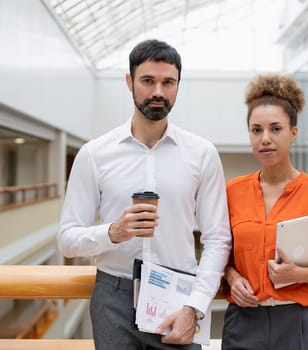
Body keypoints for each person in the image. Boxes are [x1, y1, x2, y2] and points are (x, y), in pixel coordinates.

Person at [58, 39, 231, 350]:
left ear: (178, 85)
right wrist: (114, 232)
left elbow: (218, 238)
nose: (158, 92)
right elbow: (67, 240)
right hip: (113, 298)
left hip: (180, 297)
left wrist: (195, 306)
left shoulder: (202, 154)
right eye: (148, 81)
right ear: (129, 82)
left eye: (168, 82)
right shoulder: (94, 154)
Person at [222, 74, 308, 350]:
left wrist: (300, 274)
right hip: (244, 321)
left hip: (303, 322)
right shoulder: (232, 192)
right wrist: (232, 278)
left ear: (293, 132)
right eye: (256, 130)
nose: (265, 139)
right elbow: (220, 254)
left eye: (275, 129)